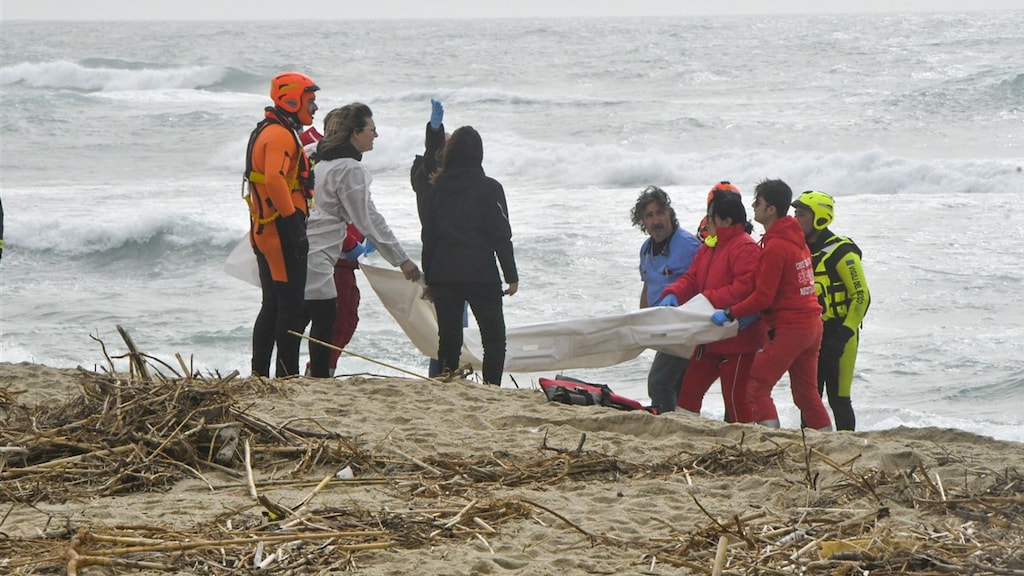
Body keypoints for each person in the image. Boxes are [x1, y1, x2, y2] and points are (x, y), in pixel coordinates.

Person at [304, 103, 421, 378]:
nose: (375, 136)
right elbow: (369, 219)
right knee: (333, 320)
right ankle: (320, 377)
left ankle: (294, 375)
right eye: (372, 130)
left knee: (298, 317)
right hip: (324, 254)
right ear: (355, 133)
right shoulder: (348, 169)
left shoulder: (318, 159)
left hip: (309, 249)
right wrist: (402, 260)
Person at [711, 179, 832, 431]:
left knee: (756, 386)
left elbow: (763, 297)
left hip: (791, 328)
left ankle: (770, 440)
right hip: (812, 326)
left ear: (771, 210)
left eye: (758, 202)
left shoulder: (776, 246)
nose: (753, 206)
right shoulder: (796, 239)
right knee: (806, 395)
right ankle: (828, 442)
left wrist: (730, 312)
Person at [658, 188, 766, 422]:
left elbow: (744, 289)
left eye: (711, 216)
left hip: (738, 338)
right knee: (689, 393)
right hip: (708, 337)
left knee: (735, 398)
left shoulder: (745, 247)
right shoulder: (710, 246)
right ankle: (686, 432)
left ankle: (743, 445)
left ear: (726, 220)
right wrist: (673, 293)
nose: (707, 220)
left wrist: (708, 299)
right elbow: (691, 277)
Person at [421, 125, 518, 386]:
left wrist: (429, 277)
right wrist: (511, 276)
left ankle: (448, 385)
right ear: (479, 154)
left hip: (444, 272)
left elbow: (428, 236)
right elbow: (501, 234)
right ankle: (492, 388)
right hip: (481, 272)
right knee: (494, 339)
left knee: (449, 338)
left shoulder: (437, 188)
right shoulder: (490, 188)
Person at [245, 72, 319, 378]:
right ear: (292, 100)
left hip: (265, 232)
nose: (314, 108)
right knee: (290, 307)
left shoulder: (271, 130)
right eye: (310, 101)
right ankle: (285, 377)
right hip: (279, 233)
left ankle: (260, 374)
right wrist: (292, 223)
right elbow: (275, 178)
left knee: (273, 304)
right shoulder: (278, 135)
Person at [792, 191, 871, 430]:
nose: (795, 220)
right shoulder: (798, 249)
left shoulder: (842, 251)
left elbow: (862, 296)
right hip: (810, 335)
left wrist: (844, 334)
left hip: (840, 334)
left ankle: (849, 446)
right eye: (795, 214)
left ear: (820, 219)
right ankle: (810, 447)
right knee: (809, 399)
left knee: (839, 399)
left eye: (802, 215)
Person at [301, 126, 373, 377]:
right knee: (337, 320)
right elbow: (320, 214)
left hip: (335, 255)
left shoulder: (333, 163)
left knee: (335, 319)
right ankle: (319, 373)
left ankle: (315, 371)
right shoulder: (324, 160)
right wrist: (351, 244)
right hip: (332, 256)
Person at [410, 99, 468, 377]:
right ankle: (440, 374)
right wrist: (435, 132)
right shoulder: (425, 177)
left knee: (453, 327)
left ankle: (443, 372)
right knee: (448, 327)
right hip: (441, 261)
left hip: (454, 259)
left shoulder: (453, 180)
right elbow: (432, 159)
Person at [630, 186, 701, 414]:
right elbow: (648, 285)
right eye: (649, 216)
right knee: (676, 385)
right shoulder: (646, 249)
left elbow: (705, 284)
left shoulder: (688, 246)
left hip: (685, 328)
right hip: (662, 328)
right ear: (642, 221)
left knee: (659, 381)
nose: (656, 220)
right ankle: (679, 423)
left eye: (660, 212)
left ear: (670, 213)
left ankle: (665, 424)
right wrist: (642, 321)